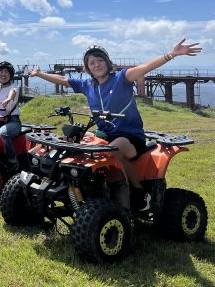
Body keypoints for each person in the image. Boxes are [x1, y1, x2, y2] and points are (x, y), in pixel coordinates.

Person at [29, 38, 202, 211]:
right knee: (77, 144)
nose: (96, 65)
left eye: (100, 60)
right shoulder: (88, 85)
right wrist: (39, 74)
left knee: (114, 150)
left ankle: (139, 194)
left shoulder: (121, 78)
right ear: (87, 68)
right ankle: (76, 187)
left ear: (107, 62)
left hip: (130, 136)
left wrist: (171, 54)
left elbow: (145, 67)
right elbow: (63, 79)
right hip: (103, 135)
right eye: (92, 62)